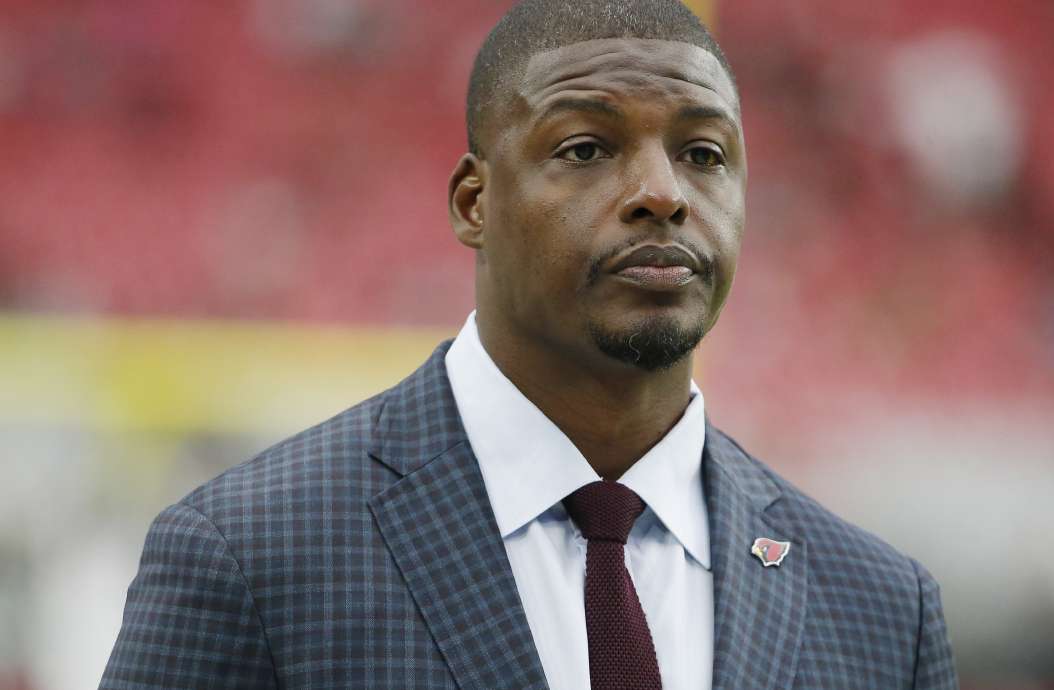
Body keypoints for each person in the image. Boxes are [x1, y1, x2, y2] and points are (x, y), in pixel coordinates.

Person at [102, 0, 958, 688]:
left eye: (703, 154)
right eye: (586, 148)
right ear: (473, 202)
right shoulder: (250, 555)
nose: (662, 192)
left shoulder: (882, 609)